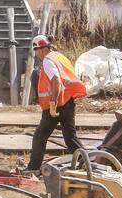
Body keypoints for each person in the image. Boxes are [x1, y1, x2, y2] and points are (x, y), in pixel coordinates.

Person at [22, 34, 87, 174]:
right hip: (68, 101)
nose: (37, 55)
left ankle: (33, 168)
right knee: (70, 137)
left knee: (40, 136)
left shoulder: (47, 60)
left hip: (56, 106)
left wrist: (53, 103)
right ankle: (86, 163)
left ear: (40, 49)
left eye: (36, 51)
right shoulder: (60, 57)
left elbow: (56, 81)